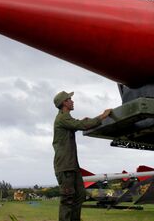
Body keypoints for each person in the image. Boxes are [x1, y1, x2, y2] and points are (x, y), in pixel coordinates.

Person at [52, 90, 112, 221]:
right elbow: (81, 125)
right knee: (68, 199)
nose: (72, 101)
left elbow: (78, 123)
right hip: (65, 166)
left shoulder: (66, 118)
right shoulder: (62, 118)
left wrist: (86, 121)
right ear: (64, 103)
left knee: (79, 196)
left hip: (71, 165)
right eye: (69, 99)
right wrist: (102, 116)